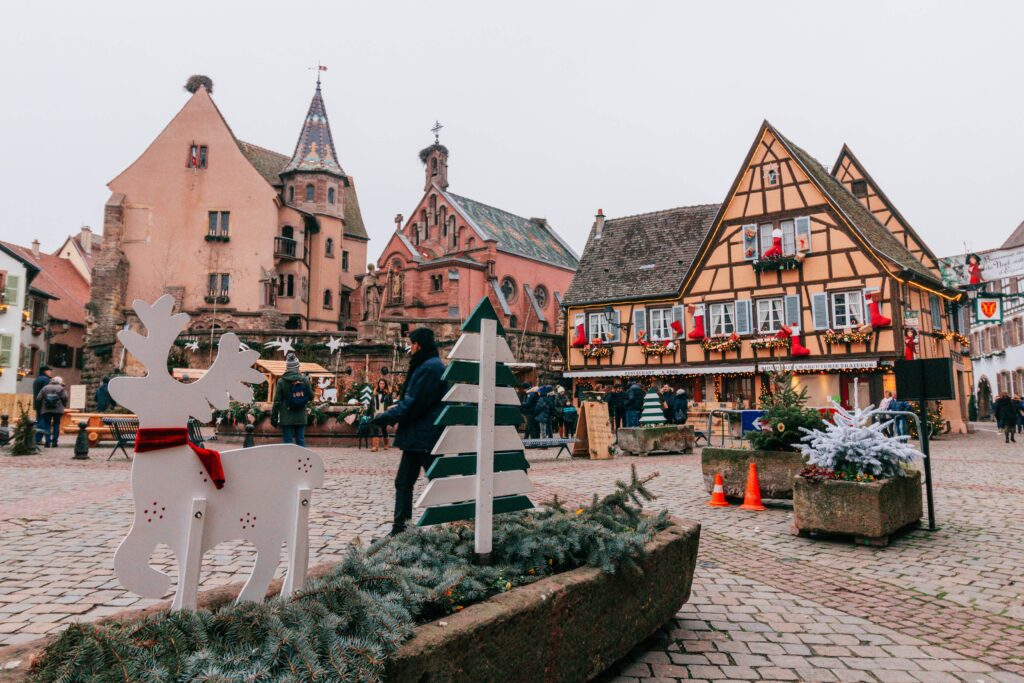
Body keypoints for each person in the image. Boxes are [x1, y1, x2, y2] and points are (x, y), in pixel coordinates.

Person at [371, 327, 447, 536]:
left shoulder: (429, 368)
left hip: (424, 435)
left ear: (418, 345)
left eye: (412, 344)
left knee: (436, 481)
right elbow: (414, 400)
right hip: (419, 435)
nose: (410, 348)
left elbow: (416, 403)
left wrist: (389, 416)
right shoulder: (429, 365)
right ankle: (400, 529)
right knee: (405, 482)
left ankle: (448, 524)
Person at [273, 353, 313, 446]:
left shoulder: (281, 381)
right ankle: (302, 460)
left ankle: (288, 460)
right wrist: (307, 382)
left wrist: (274, 416)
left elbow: (277, 401)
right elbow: (311, 397)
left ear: (287, 367)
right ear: (298, 366)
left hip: (286, 415)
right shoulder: (304, 380)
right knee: (300, 440)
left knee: (287, 442)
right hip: (300, 415)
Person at [37, 376, 69, 448]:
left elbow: (39, 398)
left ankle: (47, 442)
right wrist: (63, 404)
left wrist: (45, 401)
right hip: (58, 410)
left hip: (46, 409)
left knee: (47, 425)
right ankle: (54, 442)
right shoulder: (61, 388)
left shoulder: (45, 387)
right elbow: (65, 397)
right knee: (56, 425)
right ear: (60, 381)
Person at [32, 365, 53, 445]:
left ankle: (38, 439)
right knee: (43, 421)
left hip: (37, 403)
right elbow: (46, 391)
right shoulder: (45, 379)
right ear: (45, 371)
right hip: (43, 404)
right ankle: (37, 439)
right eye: (49, 371)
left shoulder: (37, 379)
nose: (50, 372)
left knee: (39, 420)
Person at [370, 378, 393, 452]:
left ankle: (386, 444)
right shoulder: (374, 393)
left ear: (385, 385)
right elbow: (371, 404)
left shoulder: (388, 394)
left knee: (383, 429)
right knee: (375, 428)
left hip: (384, 413)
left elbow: (391, 405)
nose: (381, 385)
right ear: (378, 384)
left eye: (383, 384)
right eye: (380, 383)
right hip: (376, 413)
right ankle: (375, 446)